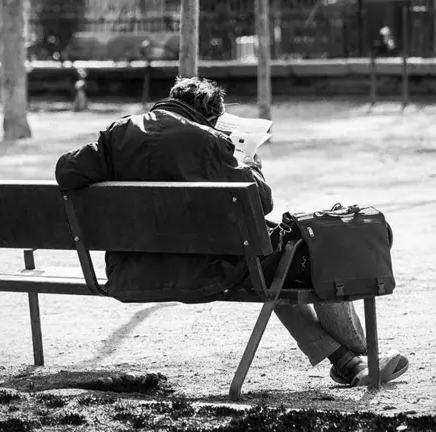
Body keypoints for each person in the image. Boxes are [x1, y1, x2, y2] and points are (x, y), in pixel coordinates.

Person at [55, 77, 408, 387]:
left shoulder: (118, 133)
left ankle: (347, 363)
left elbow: (67, 170)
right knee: (321, 252)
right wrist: (250, 165)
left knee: (274, 272)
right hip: (209, 271)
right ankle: (364, 356)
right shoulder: (208, 141)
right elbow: (262, 202)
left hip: (132, 271)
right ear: (211, 117)